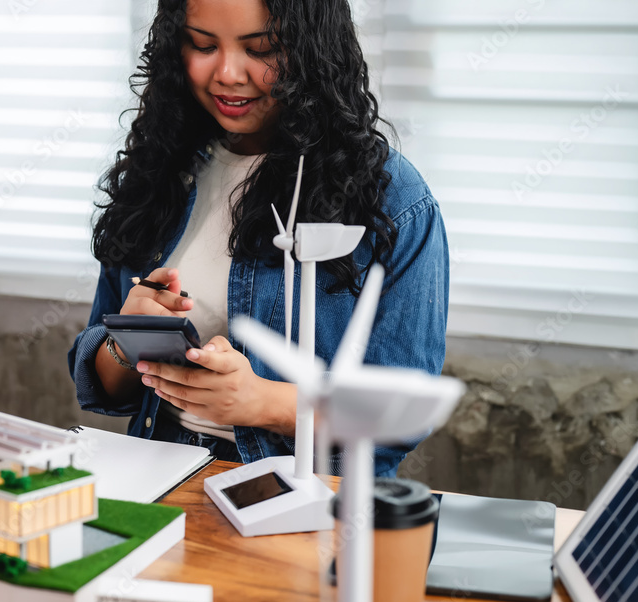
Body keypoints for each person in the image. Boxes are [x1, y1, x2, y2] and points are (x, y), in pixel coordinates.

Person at [68, 0, 448, 477]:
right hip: (155, 473)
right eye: (203, 45)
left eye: (262, 48)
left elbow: (401, 413)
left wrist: (263, 403)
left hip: (302, 492)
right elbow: (107, 389)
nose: (227, 73)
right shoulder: (157, 172)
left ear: (313, 49)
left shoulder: (392, 199)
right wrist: (127, 340)